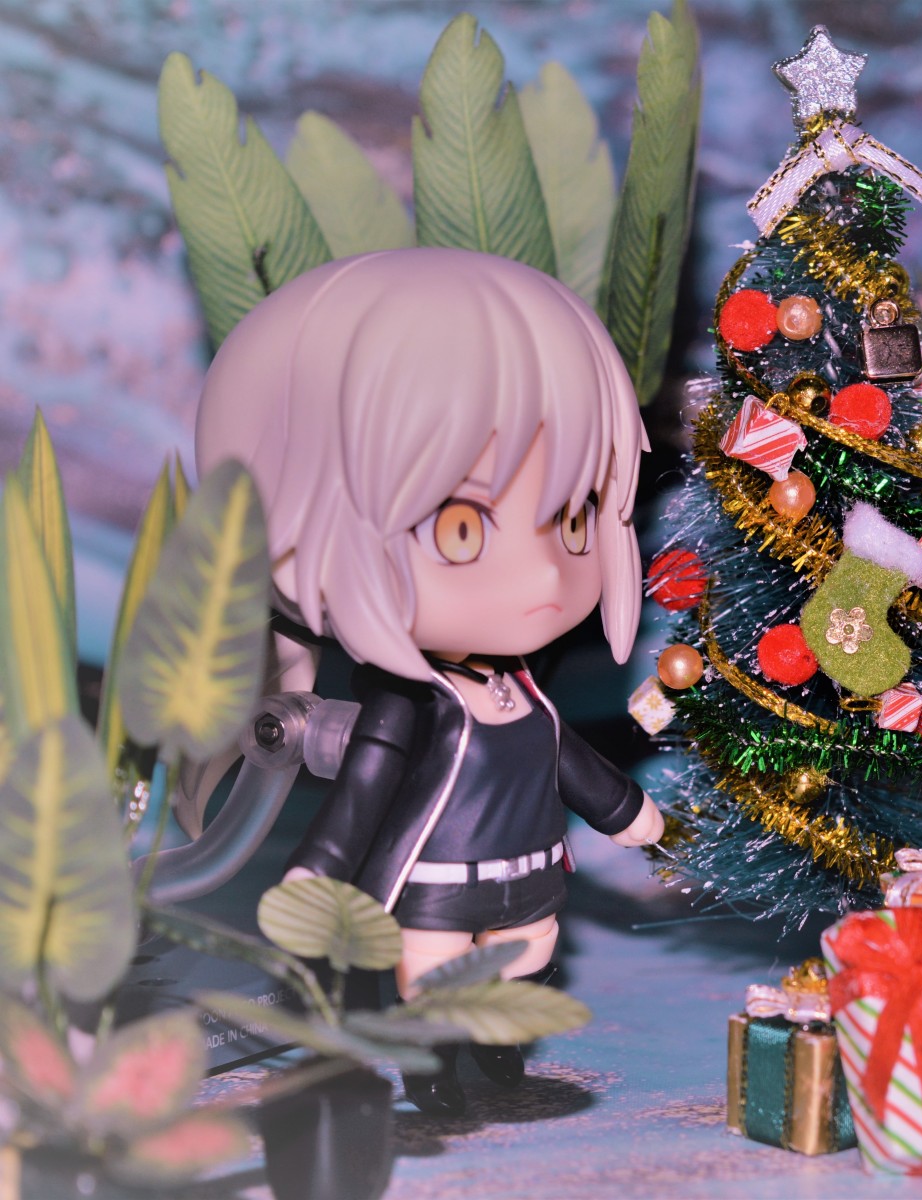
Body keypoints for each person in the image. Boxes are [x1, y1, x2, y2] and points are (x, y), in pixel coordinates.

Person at [195, 247, 662, 1116]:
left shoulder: (525, 689)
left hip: (529, 869)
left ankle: (497, 1052)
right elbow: (364, 793)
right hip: (436, 881)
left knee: (526, 957)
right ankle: (435, 1071)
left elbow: (564, 758)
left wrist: (625, 811)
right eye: (460, 530)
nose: (542, 576)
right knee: (435, 972)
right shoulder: (409, 703)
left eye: (572, 519)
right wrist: (319, 871)